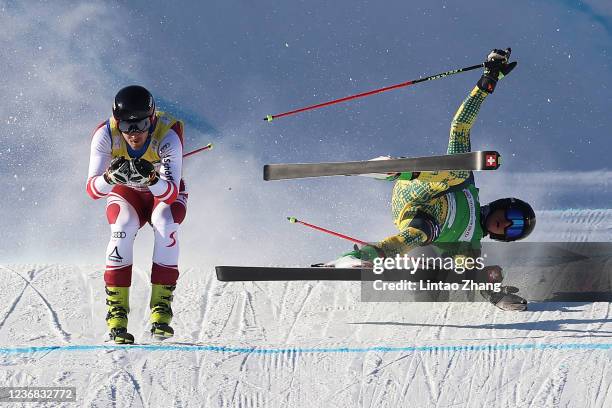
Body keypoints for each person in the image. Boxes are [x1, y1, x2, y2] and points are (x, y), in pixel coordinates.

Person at [327, 49, 535, 311]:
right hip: (420, 187)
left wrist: (494, 293)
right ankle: (391, 169)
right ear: (503, 204)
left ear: (505, 237)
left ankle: (355, 258)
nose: (506, 223)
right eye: (512, 216)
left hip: (416, 217)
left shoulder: (470, 244)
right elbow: (460, 125)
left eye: (513, 228)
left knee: (423, 236)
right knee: (460, 170)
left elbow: (468, 273)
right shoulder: (470, 188)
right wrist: (488, 81)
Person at [86, 85, 187, 343]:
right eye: (126, 126)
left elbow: (170, 193)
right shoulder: (105, 134)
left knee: (164, 225)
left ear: (152, 119)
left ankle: (161, 310)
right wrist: (109, 178)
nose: (134, 134)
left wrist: (152, 179)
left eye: (141, 124)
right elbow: (92, 190)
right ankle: (117, 315)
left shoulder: (168, 134)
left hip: (162, 192)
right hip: (127, 192)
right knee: (122, 227)